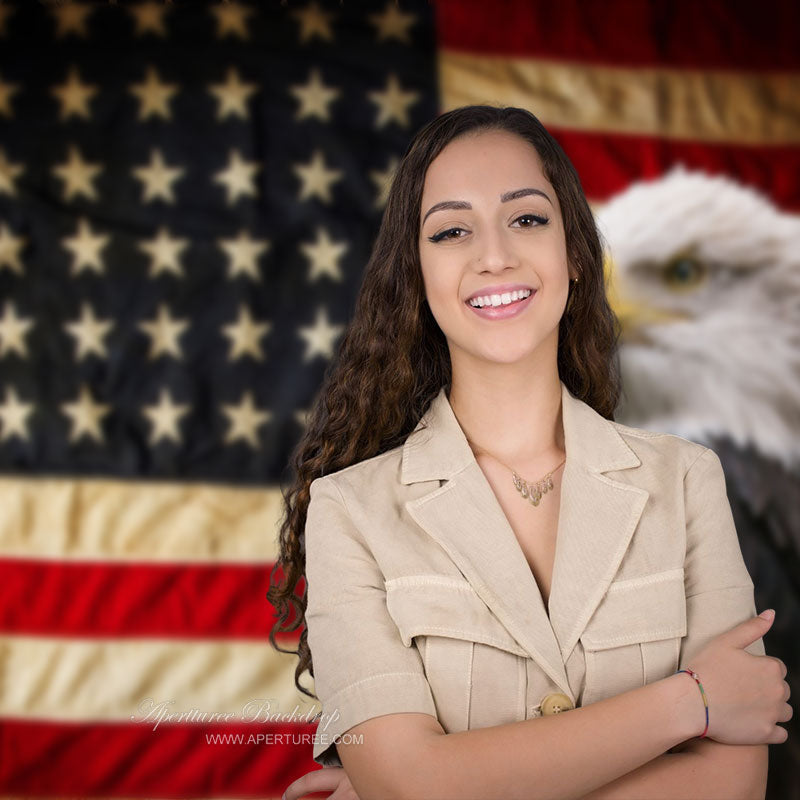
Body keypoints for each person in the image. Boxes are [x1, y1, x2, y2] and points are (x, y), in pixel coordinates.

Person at [268, 105, 792, 800]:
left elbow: (733, 786)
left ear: (575, 254)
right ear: (416, 277)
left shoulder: (689, 481)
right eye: (452, 230)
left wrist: (438, 783)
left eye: (527, 219)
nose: (495, 255)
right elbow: (410, 786)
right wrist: (690, 703)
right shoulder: (348, 512)